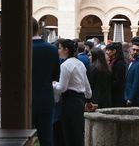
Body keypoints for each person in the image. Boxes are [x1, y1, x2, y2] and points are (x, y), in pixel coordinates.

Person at [53, 39, 93, 146]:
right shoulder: (80, 63)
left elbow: (62, 87)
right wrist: (89, 99)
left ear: (66, 50)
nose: (58, 50)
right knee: (77, 132)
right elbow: (87, 86)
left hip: (69, 101)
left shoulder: (65, 65)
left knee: (69, 133)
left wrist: (53, 84)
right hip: (79, 101)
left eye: (60, 48)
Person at [32, 18, 60, 146]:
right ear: (38, 28)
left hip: (22, 100)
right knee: (46, 138)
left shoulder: (18, 48)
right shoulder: (52, 49)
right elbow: (56, 75)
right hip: (45, 97)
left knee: (18, 137)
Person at [125, 42, 139, 106]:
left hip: (136, 99)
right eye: (133, 49)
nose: (135, 52)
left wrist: (130, 99)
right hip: (129, 96)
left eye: (137, 50)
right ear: (130, 50)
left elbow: (136, 83)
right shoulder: (131, 62)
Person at [106, 42, 126, 107]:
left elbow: (117, 80)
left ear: (114, 51)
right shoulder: (112, 61)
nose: (106, 52)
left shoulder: (119, 63)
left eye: (108, 50)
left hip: (117, 95)